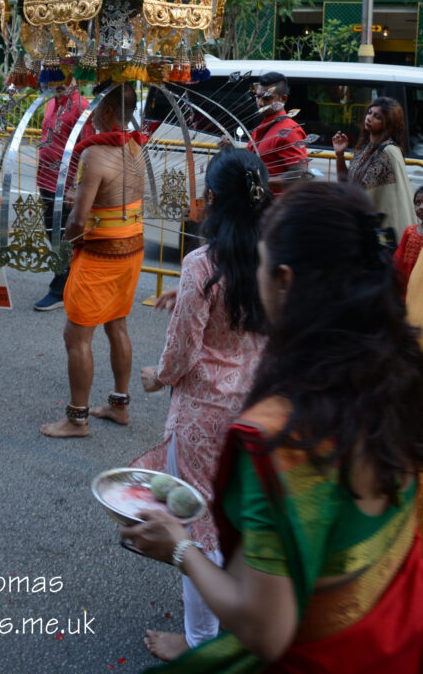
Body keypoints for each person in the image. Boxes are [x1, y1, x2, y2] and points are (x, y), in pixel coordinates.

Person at [121, 181, 423, 672]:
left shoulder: (279, 439)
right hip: (397, 639)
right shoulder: (396, 378)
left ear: (283, 280)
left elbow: (266, 628)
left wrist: (180, 547)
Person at [134, 149, 270, 660]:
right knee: (238, 518)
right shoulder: (277, 255)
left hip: (204, 415)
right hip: (258, 406)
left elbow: (184, 350)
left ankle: (196, 642)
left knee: (198, 528)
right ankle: (238, 614)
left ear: (212, 200)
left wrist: (157, 376)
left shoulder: (202, 264)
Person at [41, 82, 146, 438]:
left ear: (109, 112)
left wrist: (64, 244)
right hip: (131, 250)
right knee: (117, 325)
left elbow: (79, 221)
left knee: (76, 337)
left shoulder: (95, 154)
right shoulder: (136, 148)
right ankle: (119, 406)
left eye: (96, 107)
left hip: (101, 256)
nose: (91, 113)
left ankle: (77, 418)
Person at [34, 76, 89, 311]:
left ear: (74, 79)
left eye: (62, 79)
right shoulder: (51, 102)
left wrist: (76, 187)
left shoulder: (83, 107)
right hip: (46, 180)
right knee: (52, 233)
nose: (56, 85)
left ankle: (59, 289)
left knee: (64, 237)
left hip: (66, 186)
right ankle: (72, 283)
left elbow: (87, 148)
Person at [333, 96, 415, 242]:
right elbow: (346, 183)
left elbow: (362, 192)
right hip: (368, 228)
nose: (369, 118)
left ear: (388, 123)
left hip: (383, 234)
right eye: (369, 113)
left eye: (377, 116)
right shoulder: (366, 148)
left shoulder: (388, 152)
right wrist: (340, 154)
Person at [244, 72, 308, 195]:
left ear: (283, 99)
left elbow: (300, 175)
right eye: (258, 97)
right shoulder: (262, 126)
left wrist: (260, 182)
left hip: (276, 208)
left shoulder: (289, 130)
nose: (260, 103)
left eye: (267, 98)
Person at [393, 186, 423, 292]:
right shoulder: (409, 231)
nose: (421, 207)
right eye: (417, 203)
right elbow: (398, 256)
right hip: (406, 284)